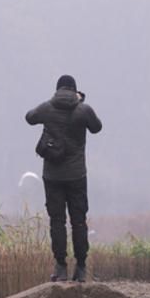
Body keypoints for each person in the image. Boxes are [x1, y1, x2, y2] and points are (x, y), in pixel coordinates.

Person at [25, 75, 103, 282]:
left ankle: (60, 267)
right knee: (79, 222)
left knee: (57, 222)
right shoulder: (83, 110)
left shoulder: (47, 108)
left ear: (57, 89)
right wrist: (80, 102)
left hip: (52, 176)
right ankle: (81, 268)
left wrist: (48, 112)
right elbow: (97, 127)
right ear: (75, 90)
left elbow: (29, 117)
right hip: (77, 175)